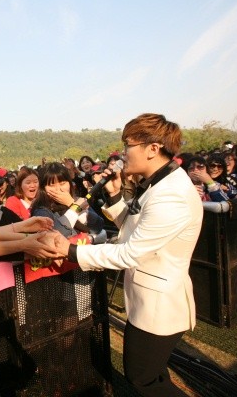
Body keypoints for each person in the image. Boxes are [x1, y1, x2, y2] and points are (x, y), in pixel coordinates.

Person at [51, 113, 203, 397]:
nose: (123, 154)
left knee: (144, 379)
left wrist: (70, 251)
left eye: (128, 146)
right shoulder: (159, 183)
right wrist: (114, 196)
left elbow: (130, 252)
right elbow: (134, 230)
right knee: (153, 374)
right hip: (147, 302)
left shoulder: (171, 194)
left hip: (159, 307)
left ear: (153, 148)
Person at [31, 162, 105, 242]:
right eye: (52, 185)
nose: (59, 189)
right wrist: (75, 209)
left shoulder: (76, 200)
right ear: (43, 188)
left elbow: (98, 226)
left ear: (70, 183)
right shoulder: (41, 210)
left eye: (62, 183)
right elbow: (50, 238)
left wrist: (72, 204)